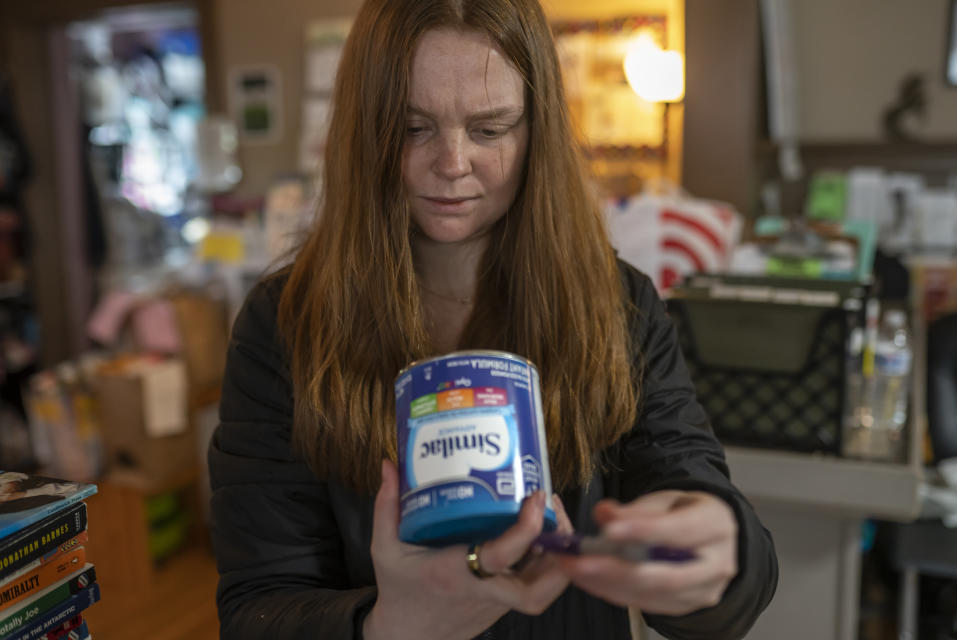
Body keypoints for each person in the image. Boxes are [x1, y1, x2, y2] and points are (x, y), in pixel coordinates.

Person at [208, 0, 778, 638]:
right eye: (411, 127)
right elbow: (259, 605)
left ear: (537, 131)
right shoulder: (283, 325)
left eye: (489, 129)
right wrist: (390, 628)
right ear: (362, 129)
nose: (452, 164)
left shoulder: (617, 306)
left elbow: (700, 499)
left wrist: (718, 554)